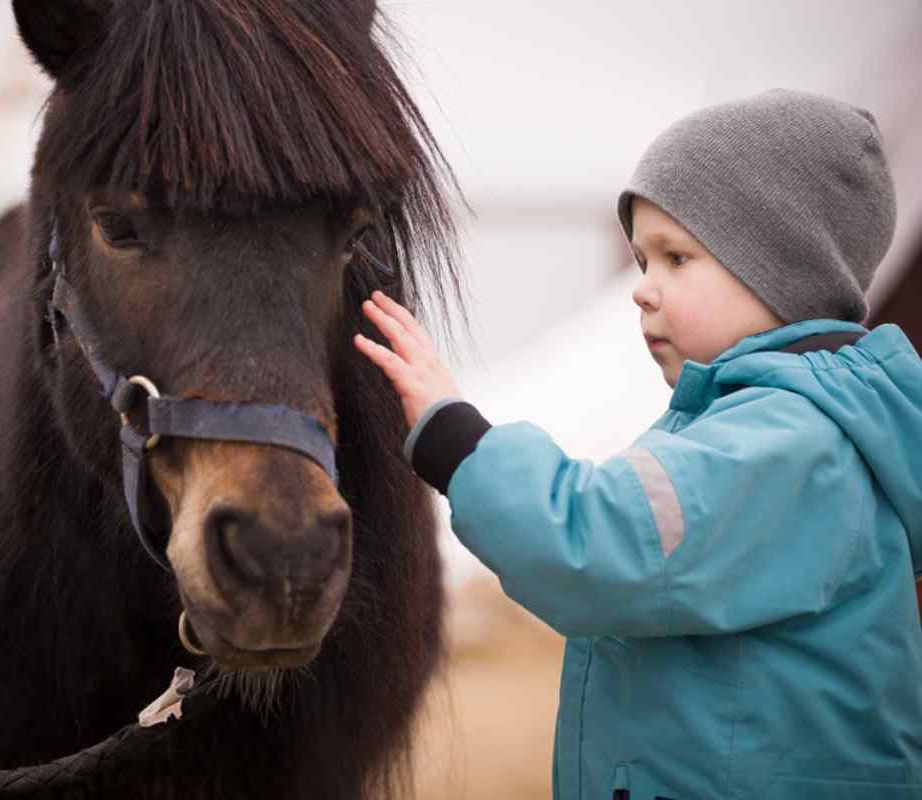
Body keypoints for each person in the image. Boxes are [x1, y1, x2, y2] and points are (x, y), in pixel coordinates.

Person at [354, 89, 922, 799]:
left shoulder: (790, 446)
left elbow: (598, 541)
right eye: (640, 261)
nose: (642, 290)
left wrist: (455, 438)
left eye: (675, 258)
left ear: (784, 268)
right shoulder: (758, 428)